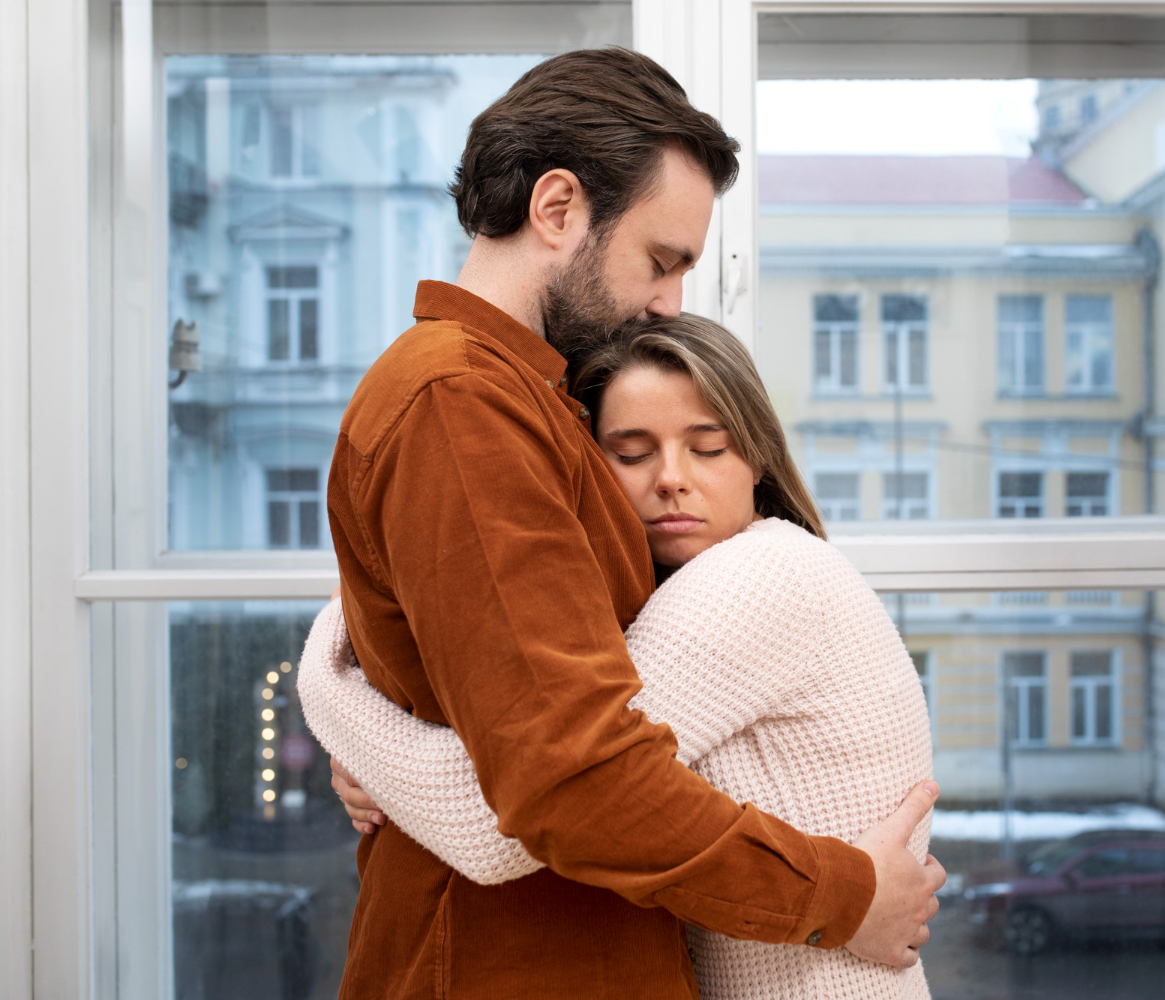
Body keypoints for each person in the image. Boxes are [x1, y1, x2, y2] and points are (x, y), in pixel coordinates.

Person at [316, 46, 944, 999]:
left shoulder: (536, 405)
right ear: (558, 208)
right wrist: (843, 894)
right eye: (661, 260)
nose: (668, 301)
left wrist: (365, 724)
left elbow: (508, 675)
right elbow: (570, 778)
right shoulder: (462, 402)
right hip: (508, 967)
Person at [301, 315, 937, 999]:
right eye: (631, 454)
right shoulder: (683, 592)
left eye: (709, 447)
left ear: (758, 457)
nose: (671, 479)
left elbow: (496, 819)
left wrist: (332, 690)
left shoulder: (760, 579)